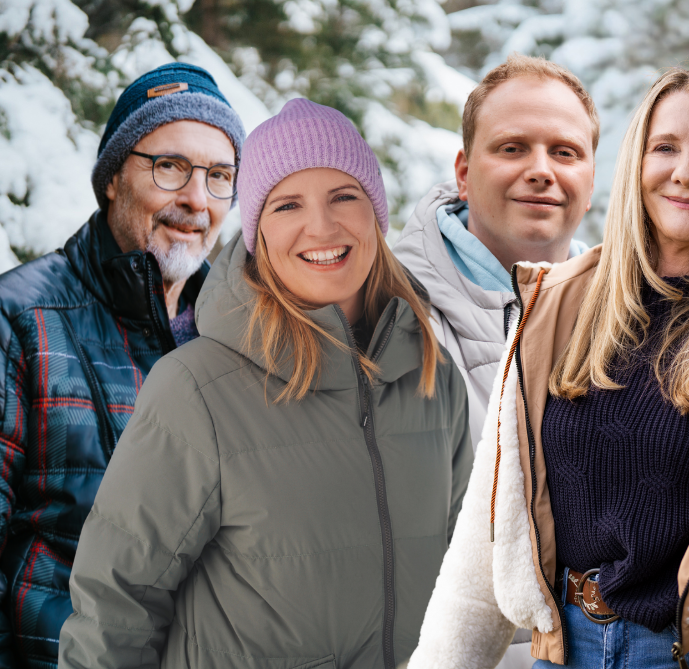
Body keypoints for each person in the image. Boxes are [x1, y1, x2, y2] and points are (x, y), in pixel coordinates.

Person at [59, 98, 472, 669]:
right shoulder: (195, 390)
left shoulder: (431, 375)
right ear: (256, 232)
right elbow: (114, 609)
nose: (321, 226)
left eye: (344, 196)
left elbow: (461, 580)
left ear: (375, 212)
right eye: (287, 205)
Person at [409, 68, 689, 669]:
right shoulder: (561, 302)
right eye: (666, 148)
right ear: (637, 162)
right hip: (562, 648)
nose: (685, 171)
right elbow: (488, 534)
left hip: (688, 654)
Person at [0, 63, 244, 669]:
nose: (196, 200)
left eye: (219, 176)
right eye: (170, 166)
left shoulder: (243, 340)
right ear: (112, 180)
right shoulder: (9, 322)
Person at [395, 53, 596, 452]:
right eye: (512, 148)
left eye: (564, 152)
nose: (541, 170)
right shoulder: (383, 313)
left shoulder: (634, 322)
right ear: (464, 175)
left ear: (590, 186)